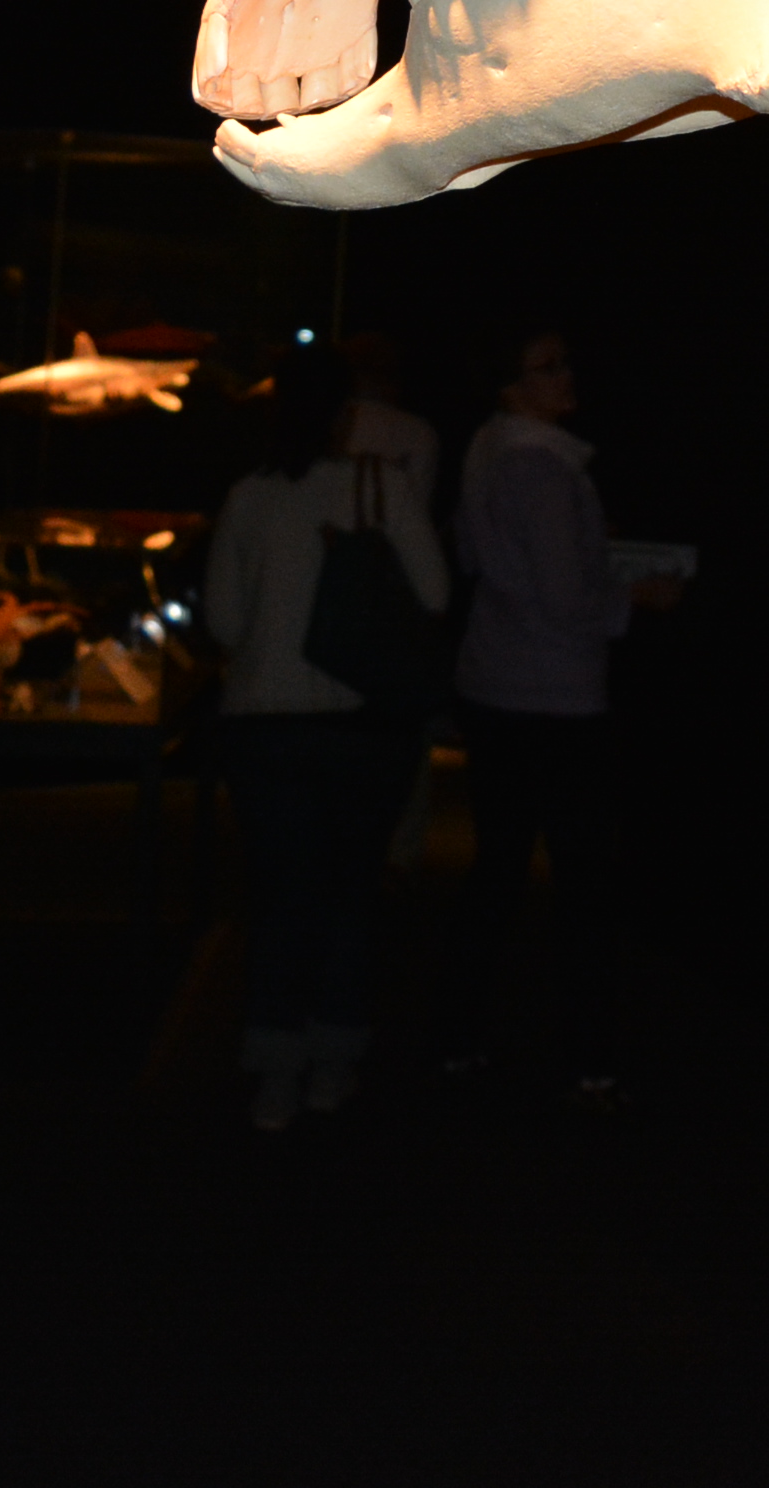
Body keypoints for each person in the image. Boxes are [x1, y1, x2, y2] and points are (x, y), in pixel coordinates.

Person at [200, 361, 443, 1131]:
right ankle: (334, 1064)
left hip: (264, 725)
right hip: (361, 721)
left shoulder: (248, 495)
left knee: (280, 898)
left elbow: (223, 621)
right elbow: (435, 594)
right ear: (345, 418)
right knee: (349, 897)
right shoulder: (383, 487)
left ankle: (274, 1075)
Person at [447, 327, 675, 1103]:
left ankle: (460, 1036)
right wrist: (637, 596)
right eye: (547, 367)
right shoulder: (540, 467)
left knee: (499, 870)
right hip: (555, 698)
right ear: (511, 385)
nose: (566, 375)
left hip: (496, 686)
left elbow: (487, 561)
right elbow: (567, 598)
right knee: (580, 881)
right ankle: (587, 1052)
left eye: (563, 362)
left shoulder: (489, 449)